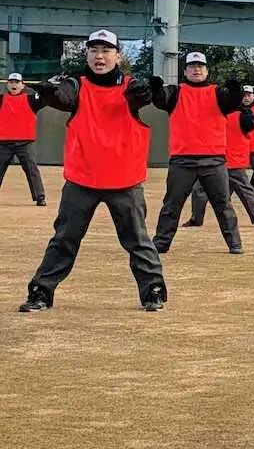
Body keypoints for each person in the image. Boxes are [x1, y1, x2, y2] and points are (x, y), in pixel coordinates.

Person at [19, 29, 166, 313]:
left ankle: (153, 290)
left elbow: (141, 98)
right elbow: (65, 98)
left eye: (106, 50)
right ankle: (41, 292)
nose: (99, 56)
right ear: (86, 54)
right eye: (94, 50)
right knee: (64, 239)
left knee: (138, 241)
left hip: (124, 180)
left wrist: (143, 96)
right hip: (82, 179)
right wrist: (51, 92)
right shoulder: (76, 85)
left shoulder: (133, 87)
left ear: (118, 55)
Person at [150, 52, 245, 255]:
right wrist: (156, 88)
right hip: (182, 160)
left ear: (206, 70)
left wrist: (237, 90)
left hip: (213, 160)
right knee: (172, 205)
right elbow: (160, 100)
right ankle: (161, 242)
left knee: (223, 205)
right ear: (185, 71)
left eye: (200, 66)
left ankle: (235, 243)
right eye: (192, 66)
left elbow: (233, 103)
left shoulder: (218, 93)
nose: (196, 69)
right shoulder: (175, 92)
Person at [188, 104, 254, 229]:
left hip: (229, 160)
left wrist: (245, 109)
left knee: (201, 189)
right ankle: (196, 219)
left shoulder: (242, 116)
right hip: (218, 159)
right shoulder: (217, 115)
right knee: (199, 190)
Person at [0, 72, 47, 206]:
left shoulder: (32, 100)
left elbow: (47, 98)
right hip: (4, 142)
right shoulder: (1, 99)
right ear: (7, 84)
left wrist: (42, 88)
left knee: (32, 170)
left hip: (25, 142)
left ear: (22, 85)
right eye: (11, 82)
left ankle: (40, 197)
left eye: (17, 82)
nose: (14, 84)